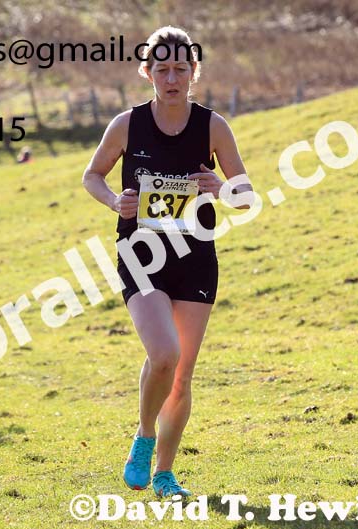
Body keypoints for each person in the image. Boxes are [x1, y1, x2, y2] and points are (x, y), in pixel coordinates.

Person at [82, 27, 253, 498]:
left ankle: (164, 474)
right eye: (162, 69)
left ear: (194, 72)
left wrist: (223, 189)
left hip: (195, 256)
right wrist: (114, 200)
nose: (172, 78)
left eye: (181, 69)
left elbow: (246, 194)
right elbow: (92, 175)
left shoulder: (213, 126)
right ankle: (144, 436)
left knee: (181, 375)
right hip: (141, 254)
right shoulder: (127, 124)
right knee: (164, 353)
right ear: (148, 73)